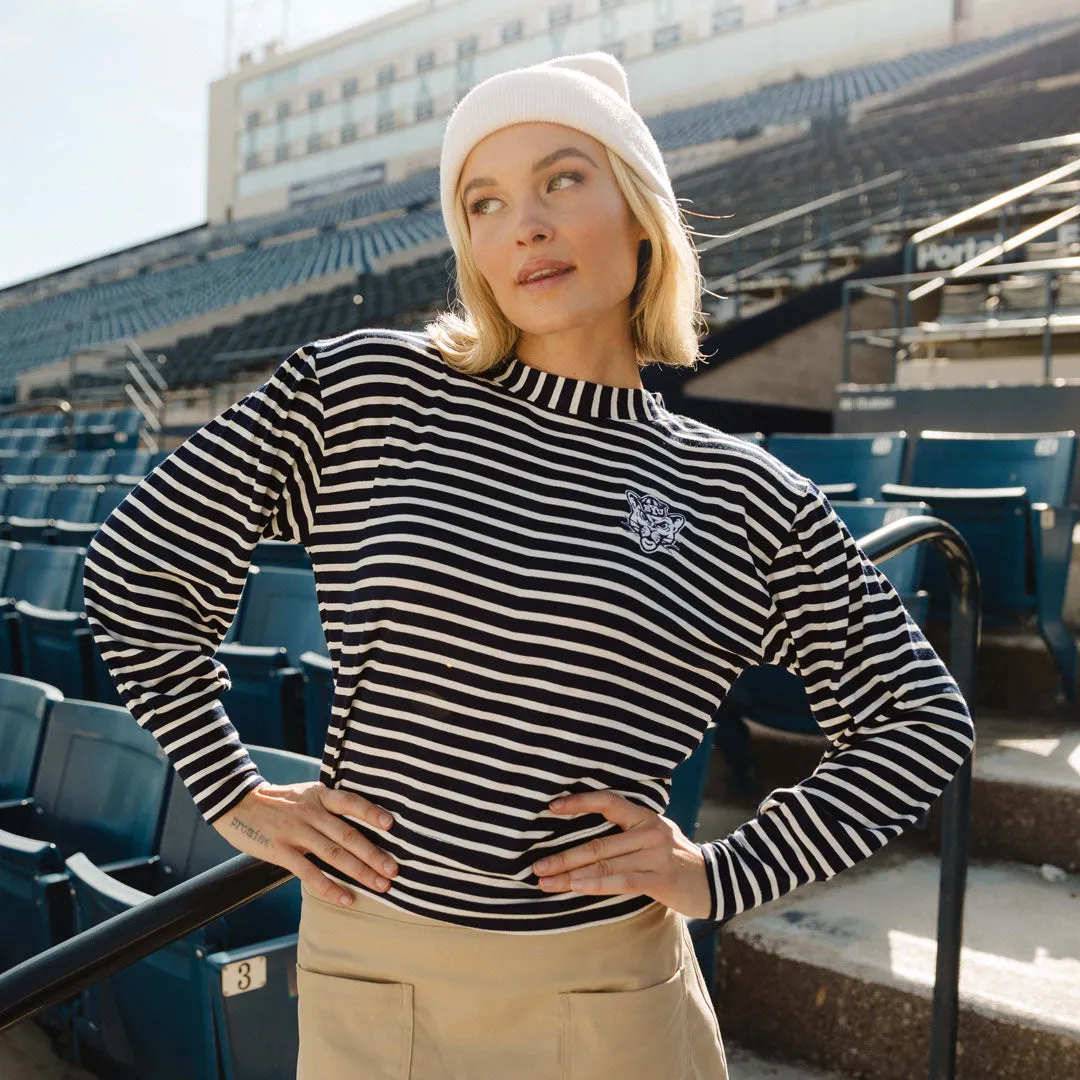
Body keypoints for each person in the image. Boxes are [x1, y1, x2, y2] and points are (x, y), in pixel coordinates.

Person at [81, 51, 975, 1080]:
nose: (525, 225)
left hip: (608, 999)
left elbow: (921, 723)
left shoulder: (746, 493)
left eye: (562, 179)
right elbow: (140, 566)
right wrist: (227, 783)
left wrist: (724, 872)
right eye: (484, 201)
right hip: (373, 980)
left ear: (641, 210)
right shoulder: (371, 391)